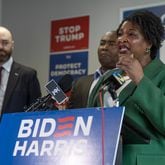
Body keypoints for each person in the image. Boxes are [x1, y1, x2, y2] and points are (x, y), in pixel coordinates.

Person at [87, 10, 165, 165]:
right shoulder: (107, 77)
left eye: (132, 35)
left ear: (149, 43)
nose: (122, 39)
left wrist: (140, 79)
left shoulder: (161, 75)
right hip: (104, 158)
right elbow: (90, 118)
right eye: (120, 34)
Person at [69, 31, 118, 109]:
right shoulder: (80, 84)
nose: (105, 48)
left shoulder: (129, 81)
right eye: (102, 43)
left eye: (111, 44)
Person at [0, 26, 41, 115]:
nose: (1, 47)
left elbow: (36, 112)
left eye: (5, 43)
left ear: (12, 45)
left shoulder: (28, 75)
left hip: (14, 128)